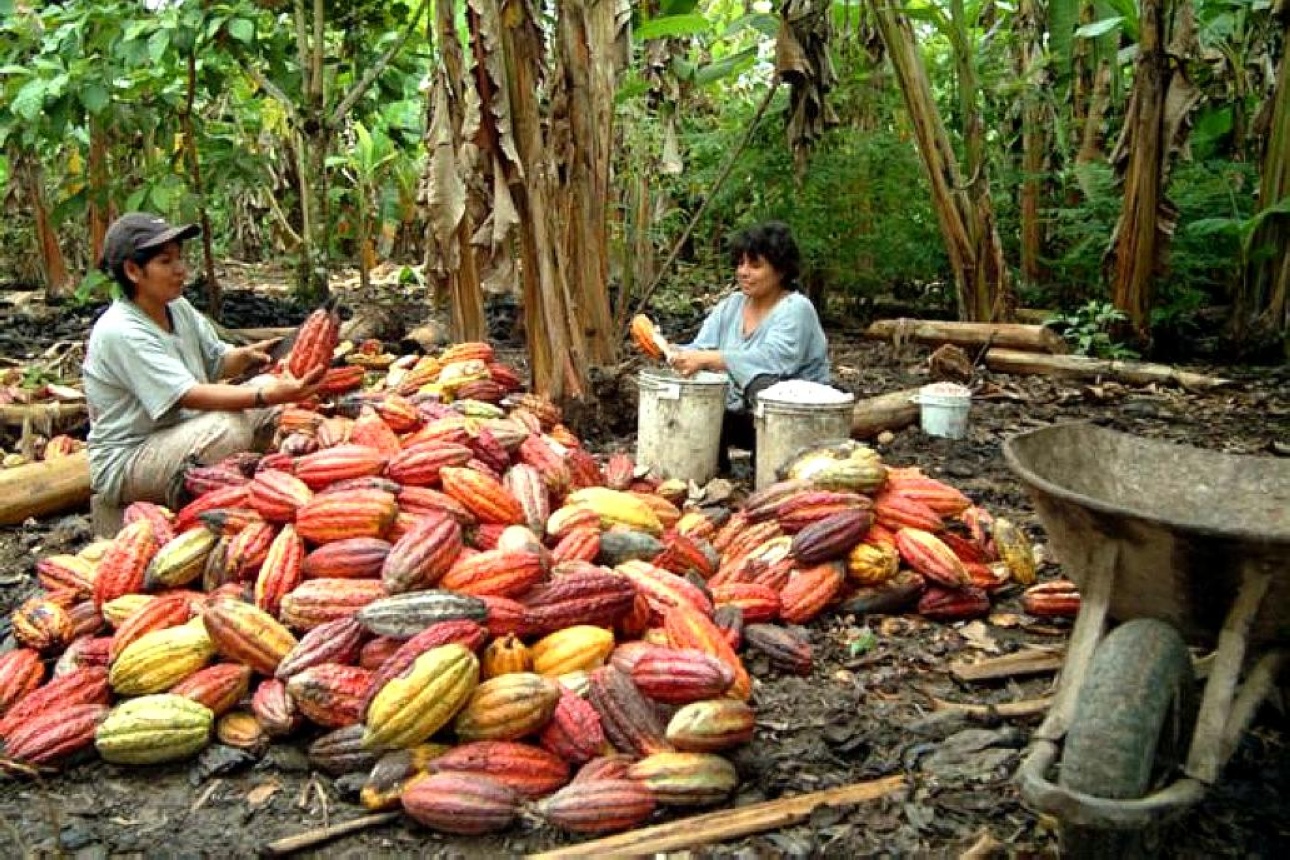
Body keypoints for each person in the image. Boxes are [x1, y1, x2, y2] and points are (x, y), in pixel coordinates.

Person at [84, 213, 324, 535]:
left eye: (180, 258)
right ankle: (183, 508)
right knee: (229, 428)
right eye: (166, 261)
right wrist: (264, 395)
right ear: (132, 271)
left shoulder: (177, 307)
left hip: (181, 433)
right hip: (130, 457)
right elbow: (188, 394)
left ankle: (238, 486)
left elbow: (216, 360)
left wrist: (246, 357)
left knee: (267, 392)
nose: (181, 269)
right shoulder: (121, 330)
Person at [669, 221, 830, 472]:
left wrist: (709, 358)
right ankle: (709, 471)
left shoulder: (796, 309)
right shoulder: (732, 305)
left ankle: (772, 470)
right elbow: (700, 348)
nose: (743, 272)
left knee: (762, 384)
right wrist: (668, 350)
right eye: (740, 264)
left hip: (796, 422)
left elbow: (774, 360)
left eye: (755, 265)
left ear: (780, 271)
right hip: (739, 415)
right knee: (696, 386)